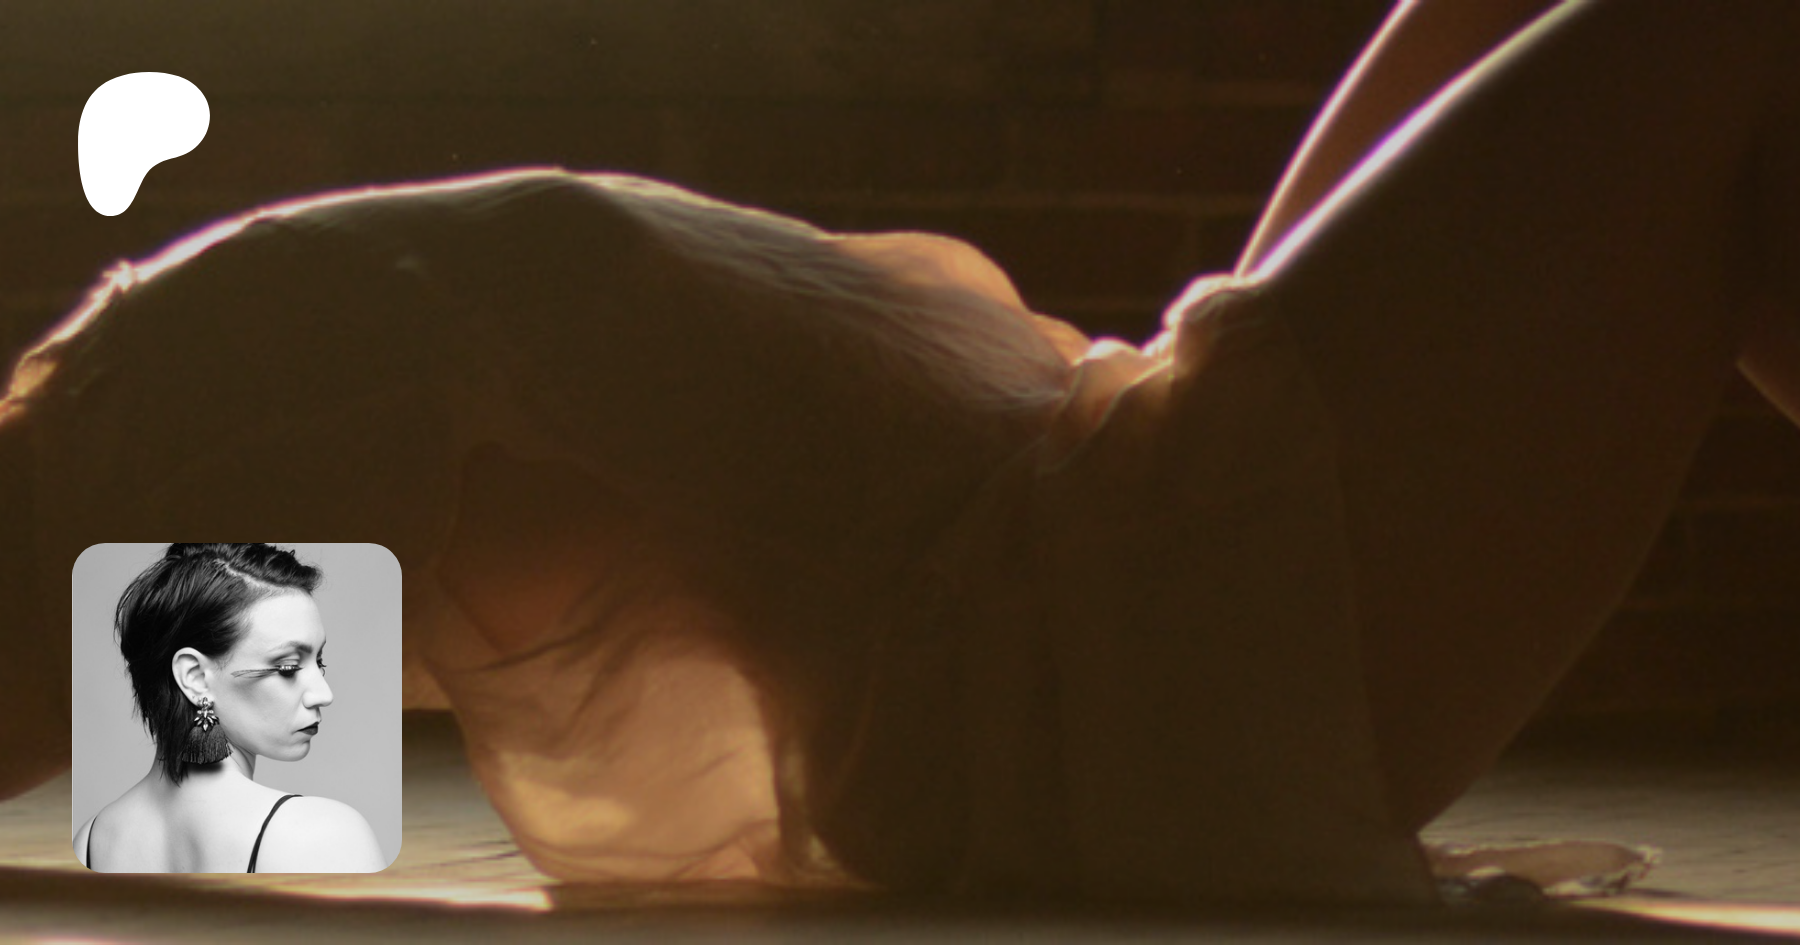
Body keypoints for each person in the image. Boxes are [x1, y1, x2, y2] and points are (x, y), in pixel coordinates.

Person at [3, 0, 1797, 899]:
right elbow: (202, 777)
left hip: (1100, 506)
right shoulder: (171, 397)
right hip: (1113, 667)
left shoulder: (167, 366)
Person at [72, 544, 385, 872]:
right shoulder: (323, 837)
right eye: (289, 667)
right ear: (195, 677)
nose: (323, 693)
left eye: (319, 661)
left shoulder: (88, 844)